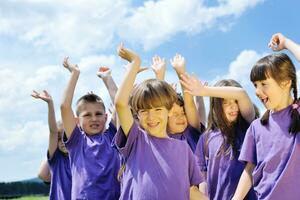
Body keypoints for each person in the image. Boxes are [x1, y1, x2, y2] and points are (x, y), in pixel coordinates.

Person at [114, 44, 208, 200]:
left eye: (158, 110)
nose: (151, 117)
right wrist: (134, 63)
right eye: (144, 111)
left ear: (169, 111)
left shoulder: (183, 149)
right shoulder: (136, 140)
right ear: (137, 114)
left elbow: (191, 191)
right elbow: (120, 104)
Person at [232, 33, 300, 200]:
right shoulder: (256, 127)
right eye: (255, 85)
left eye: (264, 84)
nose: (257, 91)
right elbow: (250, 169)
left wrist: (286, 43)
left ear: (286, 82)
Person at [180, 76, 256, 200]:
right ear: (216, 106)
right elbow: (203, 177)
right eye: (225, 102)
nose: (233, 107)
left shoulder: (249, 128)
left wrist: (204, 91)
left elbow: (242, 94)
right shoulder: (206, 138)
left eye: (235, 101)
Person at [60, 57, 120, 199]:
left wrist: (107, 78)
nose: (94, 119)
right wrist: (74, 74)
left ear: (106, 117)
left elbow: (121, 104)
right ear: (77, 121)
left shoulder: (112, 136)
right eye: (87, 115)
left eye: (98, 114)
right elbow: (64, 107)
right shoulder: (76, 141)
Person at [150, 54, 205, 152]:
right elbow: (159, 105)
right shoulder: (161, 136)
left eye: (183, 113)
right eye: (175, 114)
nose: (181, 117)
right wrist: (159, 76)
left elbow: (189, 102)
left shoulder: (191, 132)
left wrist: (180, 71)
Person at [31, 90, 71, 200]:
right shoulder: (56, 159)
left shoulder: (81, 156)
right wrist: (50, 104)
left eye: (66, 136)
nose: (63, 141)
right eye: (59, 138)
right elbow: (53, 131)